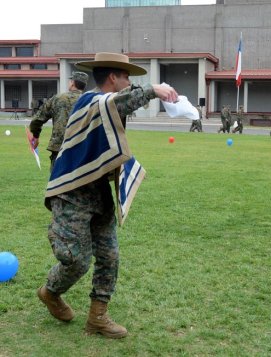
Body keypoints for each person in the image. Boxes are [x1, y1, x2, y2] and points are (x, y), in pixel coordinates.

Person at [37, 52, 178, 338]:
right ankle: (50, 292)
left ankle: (97, 318)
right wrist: (153, 89)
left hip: (98, 193)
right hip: (72, 193)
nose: (128, 82)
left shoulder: (107, 107)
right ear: (113, 77)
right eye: (126, 77)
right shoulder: (92, 101)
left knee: (110, 256)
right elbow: (118, 101)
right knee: (76, 260)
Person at [29, 72, 89, 171]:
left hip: (59, 148)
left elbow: (37, 119)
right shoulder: (89, 100)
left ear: (72, 83)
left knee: (57, 183)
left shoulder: (57, 99)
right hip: (82, 149)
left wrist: (36, 136)